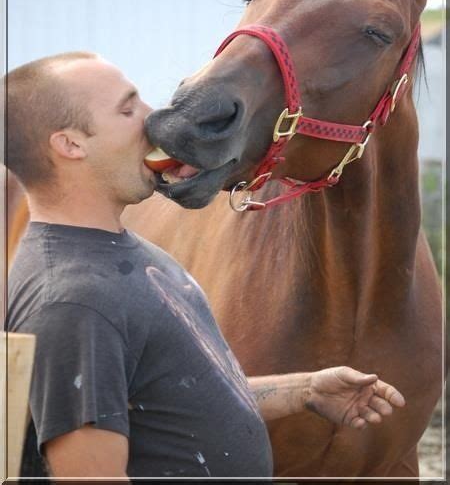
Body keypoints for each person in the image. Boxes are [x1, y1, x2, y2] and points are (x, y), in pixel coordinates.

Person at [5, 52, 406, 480]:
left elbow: (170, 397)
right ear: (70, 144)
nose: (152, 119)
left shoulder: (117, 250)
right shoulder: (76, 303)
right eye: (127, 109)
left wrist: (303, 391)